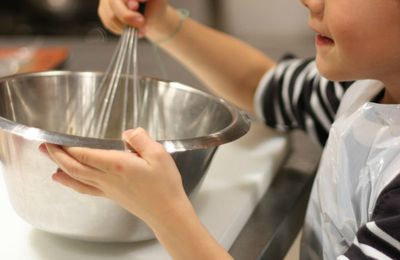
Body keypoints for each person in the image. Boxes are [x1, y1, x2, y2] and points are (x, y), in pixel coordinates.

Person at [39, 0, 400, 259]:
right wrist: (160, 20)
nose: (308, 2)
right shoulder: (365, 88)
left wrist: (165, 212)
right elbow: (262, 84)